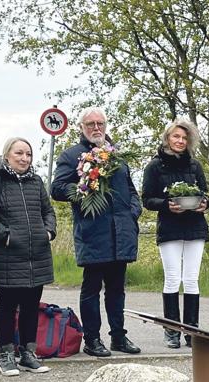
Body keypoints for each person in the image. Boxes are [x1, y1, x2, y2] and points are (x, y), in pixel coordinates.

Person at [51, 107, 142, 356]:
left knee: (117, 289)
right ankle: (92, 339)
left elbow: (131, 189)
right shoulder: (72, 155)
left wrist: (134, 211)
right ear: (81, 127)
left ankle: (119, 337)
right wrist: (84, 188)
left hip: (121, 232)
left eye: (100, 123)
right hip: (93, 232)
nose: (96, 128)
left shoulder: (116, 156)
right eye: (90, 124)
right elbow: (57, 189)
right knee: (91, 288)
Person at [0, 138, 57, 376]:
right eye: (19, 153)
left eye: (28, 154)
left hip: (37, 254)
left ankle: (28, 353)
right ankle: (6, 355)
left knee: (31, 306)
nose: (24, 158)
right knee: (7, 305)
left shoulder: (36, 181)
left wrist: (49, 231)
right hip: (7, 254)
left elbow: (48, 211)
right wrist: (6, 235)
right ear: (7, 155)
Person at [141, 117, 209, 348]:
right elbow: (147, 199)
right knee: (173, 278)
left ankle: (191, 329)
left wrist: (204, 204)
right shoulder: (154, 166)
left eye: (184, 137)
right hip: (169, 227)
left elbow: (205, 193)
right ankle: (171, 329)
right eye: (176, 136)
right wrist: (165, 204)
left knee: (191, 279)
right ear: (167, 138)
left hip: (195, 226)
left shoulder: (195, 166)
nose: (180, 141)